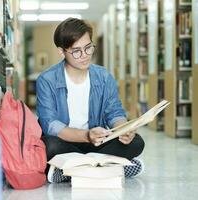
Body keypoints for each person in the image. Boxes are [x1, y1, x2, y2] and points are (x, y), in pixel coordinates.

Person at [36, 18, 145, 183]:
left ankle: (70, 169)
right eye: (76, 51)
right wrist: (86, 135)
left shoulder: (104, 76)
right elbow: (50, 125)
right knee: (49, 146)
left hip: (98, 142)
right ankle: (112, 166)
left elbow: (114, 112)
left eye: (88, 48)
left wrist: (123, 130)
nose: (85, 56)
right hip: (65, 142)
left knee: (136, 142)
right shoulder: (47, 80)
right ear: (61, 51)